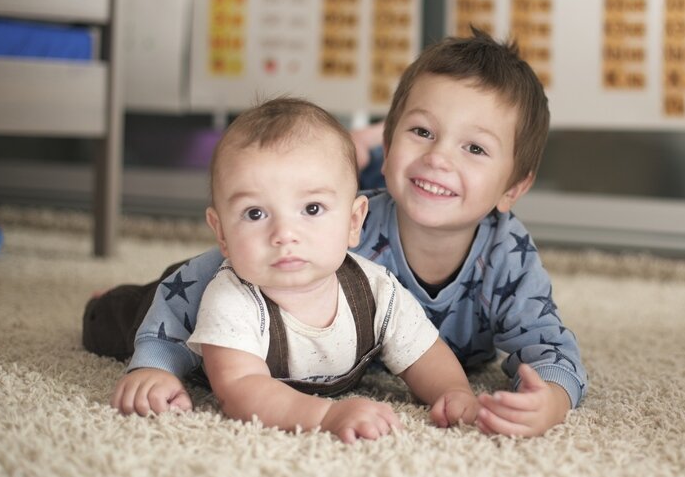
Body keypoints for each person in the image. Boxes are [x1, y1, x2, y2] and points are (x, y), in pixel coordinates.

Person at [83, 27, 587, 438]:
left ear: (513, 187)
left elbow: (549, 348)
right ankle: (119, 302)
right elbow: (223, 270)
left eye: (474, 149)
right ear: (388, 146)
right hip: (231, 297)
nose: (438, 158)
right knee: (169, 302)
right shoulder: (335, 228)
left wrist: (550, 401)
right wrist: (152, 361)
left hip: (358, 351)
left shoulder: (507, 254)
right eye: (422, 132)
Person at [110, 97, 482, 443]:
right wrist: (324, 416)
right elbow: (241, 389)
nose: (284, 235)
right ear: (221, 232)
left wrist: (453, 392)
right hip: (177, 306)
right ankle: (107, 301)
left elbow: (423, 351)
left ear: (354, 222)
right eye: (255, 214)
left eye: (312, 209)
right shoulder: (231, 299)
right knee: (124, 314)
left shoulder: (376, 290)